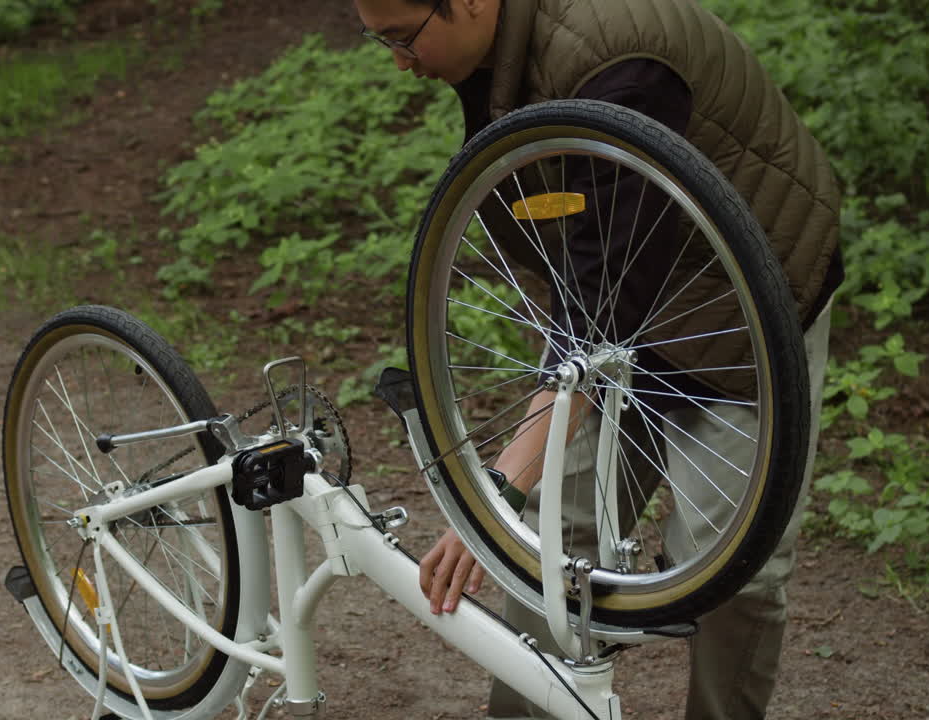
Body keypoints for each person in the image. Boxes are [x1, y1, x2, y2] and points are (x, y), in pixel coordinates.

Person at [352, 0, 844, 718]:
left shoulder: (621, 64)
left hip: (741, 310)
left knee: (736, 566)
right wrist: (514, 508)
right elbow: (593, 270)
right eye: (378, 39)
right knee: (551, 535)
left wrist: (494, 493)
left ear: (471, 2)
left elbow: (601, 314)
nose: (398, 61)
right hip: (628, 290)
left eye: (403, 39)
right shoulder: (500, 47)